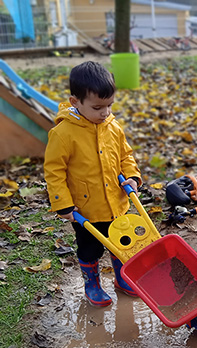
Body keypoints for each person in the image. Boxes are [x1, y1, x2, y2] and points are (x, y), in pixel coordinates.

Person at [44, 61, 142, 307]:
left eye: (109, 105)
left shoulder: (113, 126)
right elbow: (54, 171)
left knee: (122, 243)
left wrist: (132, 176)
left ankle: (122, 278)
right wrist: (62, 204)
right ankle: (92, 283)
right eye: (98, 107)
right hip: (85, 210)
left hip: (116, 204)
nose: (105, 113)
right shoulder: (63, 133)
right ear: (75, 102)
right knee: (90, 250)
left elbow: (125, 155)